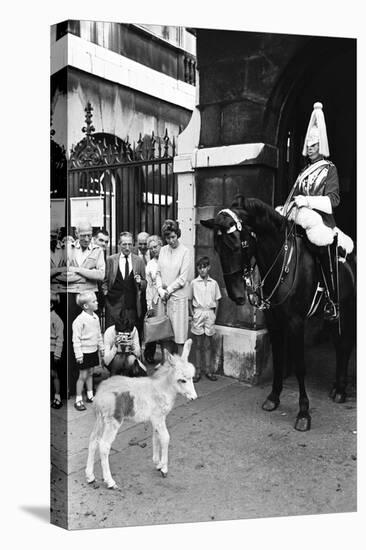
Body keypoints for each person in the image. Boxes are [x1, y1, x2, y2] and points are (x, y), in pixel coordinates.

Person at [280, 102, 340, 321]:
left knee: (322, 248)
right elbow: (292, 195)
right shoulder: (303, 172)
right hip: (301, 218)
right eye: (309, 144)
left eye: (314, 144)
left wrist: (308, 200)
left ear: (320, 145)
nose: (310, 148)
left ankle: (331, 299)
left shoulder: (329, 170)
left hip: (321, 222)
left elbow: (333, 201)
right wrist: (285, 209)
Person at [66, 222, 106, 395]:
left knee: (89, 338)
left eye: (89, 235)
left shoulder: (98, 250)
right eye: (83, 235)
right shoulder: (69, 248)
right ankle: (72, 382)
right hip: (71, 295)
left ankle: (88, 383)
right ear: (77, 233)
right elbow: (64, 272)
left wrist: (78, 270)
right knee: (72, 338)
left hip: (89, 298)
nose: (87, 238)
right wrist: (86, 273)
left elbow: (100, 275)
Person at [156, 219, 191, 356]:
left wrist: (168, 291)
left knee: (179, 337)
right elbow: (158, 272)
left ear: (178, 235)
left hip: (178, 298)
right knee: (165, 335)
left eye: (173, 237)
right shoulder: (163, 250)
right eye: (167, 237)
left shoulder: (185, 252)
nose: (170, 241)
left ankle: (181, 368)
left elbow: (182, 278)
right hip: (164, 298)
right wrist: (160, 290)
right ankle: (167, 367)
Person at [102, 231, 146, 330]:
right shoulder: (111, 260)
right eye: (124, 244)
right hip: (114, 305)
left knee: (131, 336)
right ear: (119, 245)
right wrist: (106, 294)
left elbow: (145, 283)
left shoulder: (139, 261)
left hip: (132, 306)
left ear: (133, 245)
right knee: (113, 334)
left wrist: (140, 282)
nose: (127, 247)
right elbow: (105, 281)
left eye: (130, 244)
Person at [189, 256, 222, 382]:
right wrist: (192, 313)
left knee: (208, 344)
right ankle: (197, 371)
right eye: (199, 267)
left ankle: (208, 370)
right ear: (197, 268)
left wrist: (214, 315)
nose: (202, 270)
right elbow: (189, 299)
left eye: (204, 267)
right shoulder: (193, 283)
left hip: (209, 313)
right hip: (198, 312)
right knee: (198, 344)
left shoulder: (214, 283)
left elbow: (218, 300)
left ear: (209, 268)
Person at [72, 291, 105, 411]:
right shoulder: (79, 320)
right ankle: (78, 399)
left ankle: (90, 395)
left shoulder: (95, 318)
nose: (97, 302)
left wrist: (101, 348)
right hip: (84, 353)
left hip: (93, 351)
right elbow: (76, 339)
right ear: (86, 306)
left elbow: (98, 335)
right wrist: (79, 354)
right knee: (82, 375)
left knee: (91, 373)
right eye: (94, 301)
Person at [103, 311, 147, 377]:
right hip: (114, 360)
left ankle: (126, 375)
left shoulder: (133, 330)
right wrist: (115, 347)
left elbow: (138, 354)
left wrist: (132, 347)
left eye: (127, 334)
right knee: (119, 358)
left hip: (128, 357)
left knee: (142, 371)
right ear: (116, 331)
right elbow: (106, 361)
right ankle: (115, 376)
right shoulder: (109, 332)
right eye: (121, 334)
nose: (124, 337)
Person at [144, 235, 164, 363]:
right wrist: (149, 305)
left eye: (155, 247)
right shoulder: (150, 265)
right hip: (156, 301)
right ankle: (151, 355)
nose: (154, 250)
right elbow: (149, 287)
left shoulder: (168, 259)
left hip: (168, 298)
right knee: (157, 329)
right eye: (151, 248)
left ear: (161, 245)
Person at [50, 292, 64, 408]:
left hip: (52, 351)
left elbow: (60, 338)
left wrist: (57, 354)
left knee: (54, 374)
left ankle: (57, 397)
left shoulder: (56, 319)